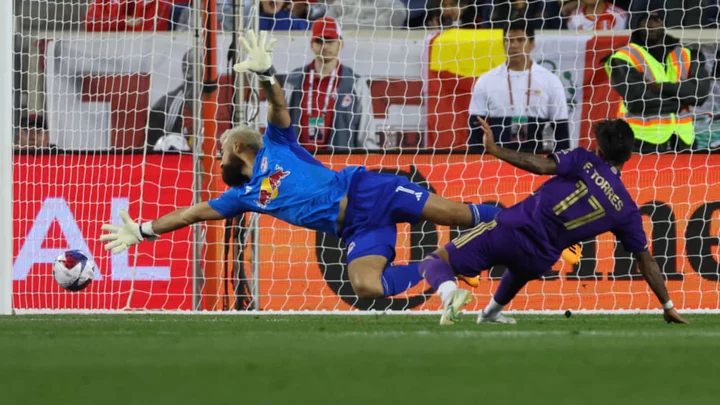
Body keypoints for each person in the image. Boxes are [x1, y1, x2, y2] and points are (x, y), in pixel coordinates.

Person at [99, 30, 512, 300]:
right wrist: (143, 230)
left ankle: (533, 221)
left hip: (369, 190)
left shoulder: (277, 144)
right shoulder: (242, 196)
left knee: (459, 215)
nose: (218, 158)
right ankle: (430, 265)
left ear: (239, 145)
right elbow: (193, 212)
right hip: (356, 227)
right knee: (366, 286)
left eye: (221, 150)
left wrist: (266, 73)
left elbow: (278, 105)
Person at [419, 118, 689, 326]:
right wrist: (667, 305)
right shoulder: (627, 210)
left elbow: (540, 165)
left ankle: (449, 295)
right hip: (541, 258)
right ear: (628, 157)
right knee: (520, 270)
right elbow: (646, 260)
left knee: (434, 262)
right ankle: (491, 313)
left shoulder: (584, 159)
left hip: (512, 229)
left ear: (599, 146)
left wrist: (494, 149)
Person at [605, 11, 711, 152]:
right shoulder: (622, 57)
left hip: (683, 139)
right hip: (641, 139)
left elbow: (700, 94)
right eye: (645, 20)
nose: (651, 25)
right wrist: (682, 101)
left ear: (664, 22)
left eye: (657, 19)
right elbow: (638, 100)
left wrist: (660, 87)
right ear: (636, 24)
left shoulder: (687, 53)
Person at [468, 21, 570, 154]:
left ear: (532, 44)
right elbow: (475, 128)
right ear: (503, 44)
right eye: (509, 40)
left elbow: (561, 129)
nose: (514, 45)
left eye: (520, 40)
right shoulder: (486, 80)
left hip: (538, 158)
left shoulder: (550, 81)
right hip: (497, 157)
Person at [283, 17, 376, 152]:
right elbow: (280, 123)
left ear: (340, 44)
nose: (325, 46)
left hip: (340, 165)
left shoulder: (355, 83)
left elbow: (366, 133)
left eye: (330, 41)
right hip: (299, 163)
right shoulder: (294, 79)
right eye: (319, 41)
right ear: (312, 44)